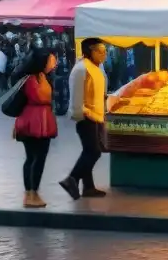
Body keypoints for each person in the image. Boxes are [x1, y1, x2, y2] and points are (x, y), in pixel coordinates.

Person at [59, 38, 108, 200]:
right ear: (90, 51)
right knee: (93, 152)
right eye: (100, 51)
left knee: (89, 151)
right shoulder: (81, 69)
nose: (104, 55)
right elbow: (76, 97)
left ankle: (88, 187)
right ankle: (71, 179)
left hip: (97, 115)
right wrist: (82, 114)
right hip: (86, 117)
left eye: (105, 51)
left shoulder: (96, 68)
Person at [12, 48, 58, 208]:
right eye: (51, 61)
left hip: (41, 120)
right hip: (33, 121)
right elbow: (39, 96)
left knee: (37, 158)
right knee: (34, 158)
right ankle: (31, 193)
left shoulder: (42, 77)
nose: (54, 64)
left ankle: (33, 193)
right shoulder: (31, 79)